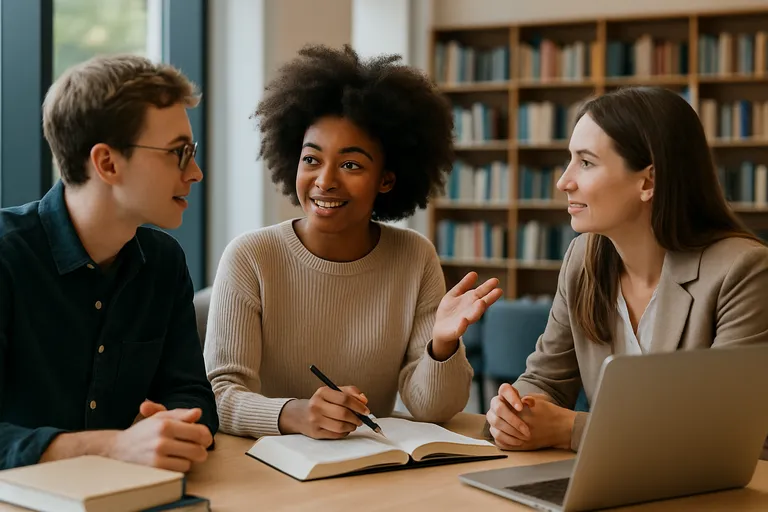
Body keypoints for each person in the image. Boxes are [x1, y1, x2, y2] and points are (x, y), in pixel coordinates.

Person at [204, 44, 502, 440]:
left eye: (350, 165)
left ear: (387, 180)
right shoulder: (251, 257)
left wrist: (442, 346)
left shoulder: (414, 257)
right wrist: (294, 415)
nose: (325, 180)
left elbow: (434, 409)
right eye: (311, 159)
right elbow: (219, 396)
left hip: (367, 467)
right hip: (268, 467)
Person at [486, 86, 768, 453]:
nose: (563, 181)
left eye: (585, 163)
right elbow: (546, 380)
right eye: (570, 160)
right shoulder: (582, 259)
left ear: (648, 181)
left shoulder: (743, 271)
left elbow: (723, 431)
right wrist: (513, 413)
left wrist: (571, 429)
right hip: (612, 484)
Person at [0, 55, 218, 471]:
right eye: (178, 153)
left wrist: (170, 426)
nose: (196, 172)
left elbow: (192, 396)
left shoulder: (164, 262)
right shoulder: (7, 258)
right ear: (107, 163)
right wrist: (113, 446)